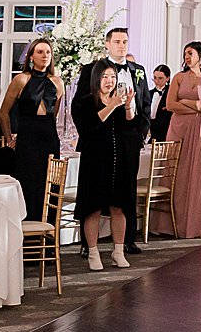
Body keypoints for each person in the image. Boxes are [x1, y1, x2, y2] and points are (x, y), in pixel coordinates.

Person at [76, 29, 152, 254]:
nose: (122, 45)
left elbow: (145, 103)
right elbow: (82, 105)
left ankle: (127, 241)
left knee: (125, 192)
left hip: (129, 138)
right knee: (95, 192)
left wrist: (140, 133)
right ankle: (88, 245)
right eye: (117, 41)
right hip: (100, 138)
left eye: (125, 41)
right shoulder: (91, 70)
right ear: (107, 44)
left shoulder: (138, 70)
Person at [72, 63, 143, 270]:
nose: (109, 81)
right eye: (105, 77)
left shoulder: (120, 101)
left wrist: (128, 105)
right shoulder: (84, 102)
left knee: (119, 207)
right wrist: (111, 105)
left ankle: (118, 251)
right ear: (96, 79)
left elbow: (131, 126)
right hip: (94, 161)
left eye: (112, 77)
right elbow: (89, 127)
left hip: (119, 159)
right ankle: (93, 252)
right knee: (92, 208)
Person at [0, 38, 65, 224]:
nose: (45, 56)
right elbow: (3, 112)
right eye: (40, 52)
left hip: (49, 136)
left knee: (49, 183)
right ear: (31, 57)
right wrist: (9, 138)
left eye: (48, 53)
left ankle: (48, 227)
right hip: (27, 135)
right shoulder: (21, 79)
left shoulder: (58, 82)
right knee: (28, 182)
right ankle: (26, 229)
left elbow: (54, 114)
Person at [164, 41, 201, 239]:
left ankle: (200, 224)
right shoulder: (179, 77)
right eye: (185, 54)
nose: (187, 57)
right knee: (178, 174)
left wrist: (187, 102)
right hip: (179, 128)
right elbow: (170, 105)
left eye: (190, 53)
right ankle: (174, 224)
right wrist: (196, 106)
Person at [147, 65, 173, 144]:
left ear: (167, 78)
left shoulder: (171, 94)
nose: (157, 81)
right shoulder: (149, 93)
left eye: (160, 78)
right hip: (151, 134)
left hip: (166, 134)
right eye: (155, 78)